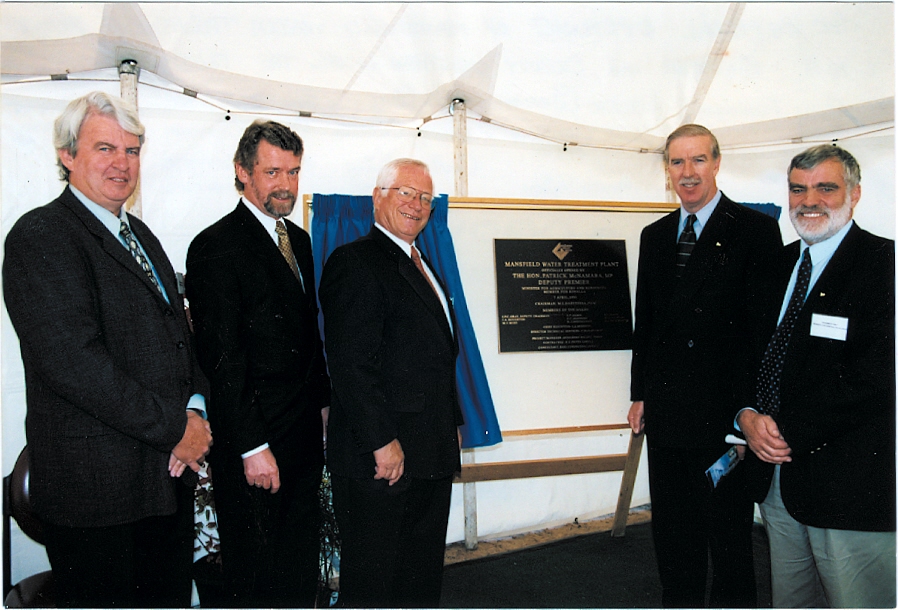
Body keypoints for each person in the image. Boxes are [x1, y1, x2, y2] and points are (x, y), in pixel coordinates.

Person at [2, 91, 212, 608]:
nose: (122, 163)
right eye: (105, 148)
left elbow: (182, 338)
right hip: (97, 496)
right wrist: (176, 429)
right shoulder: (41, 235)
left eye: (133, 150)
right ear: (67, 155)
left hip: (164, 485)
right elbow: (74, 363)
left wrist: (196, 407)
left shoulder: (140, 235)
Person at [627, 124, 783, 607]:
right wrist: (639, 393)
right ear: (667, 170)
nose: (688, 173)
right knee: (672, 531)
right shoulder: (654, 236)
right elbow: (646, 322)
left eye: (698, 160)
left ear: (717, 162)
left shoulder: (755, 231)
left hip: (725, 417)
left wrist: (751, 411)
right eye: (677, 162)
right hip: (668, 413)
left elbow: (764, 334)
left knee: (729, 538)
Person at [738, 145, 895, 608]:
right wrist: (746, 414)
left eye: (826, 188)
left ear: (855, 193)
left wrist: (786, 430)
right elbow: (747, 355)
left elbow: (878, 377)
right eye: (798, 189)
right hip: (777, 483)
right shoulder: (774, 265)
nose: (810, 201)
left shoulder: (885, 266)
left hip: (848, 488)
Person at [186, 120, 330, 607]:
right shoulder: (215, 246)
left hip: (303, 440)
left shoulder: (301, 242)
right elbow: (222, 360)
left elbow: (307, 338)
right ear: (242, 172)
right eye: (273, 172)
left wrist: (324, 408)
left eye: (293, 172)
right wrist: (251, 447)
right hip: (256, 448)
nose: (286, 185)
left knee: (297, 572)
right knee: (257, 580)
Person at [319, 158, 463, 608]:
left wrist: (452, 421)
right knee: (375, 587)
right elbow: (350, 365)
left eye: (425, 198)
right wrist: (382, 442)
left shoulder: (421, 262)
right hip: (383, 461)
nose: (416, 205)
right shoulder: (355, 261)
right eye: (405, 192)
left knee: (418, 581)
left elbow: (435, 357)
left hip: (427, 451)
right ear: (378, 196)